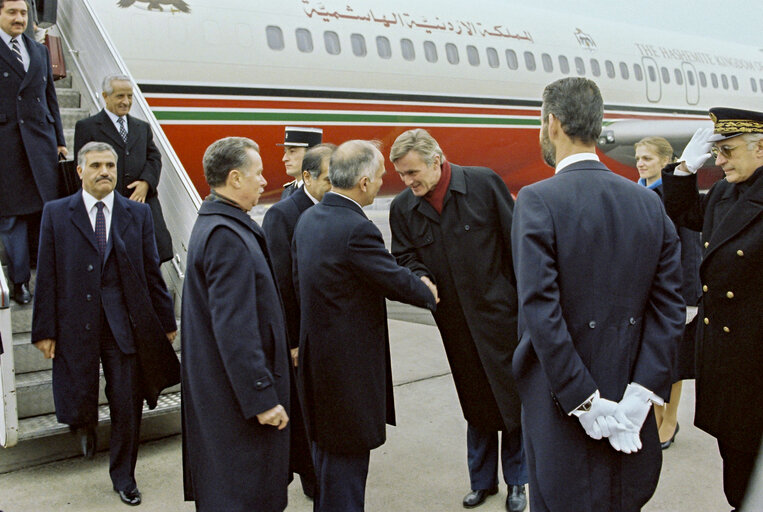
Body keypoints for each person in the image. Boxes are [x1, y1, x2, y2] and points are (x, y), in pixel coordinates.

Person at [511, 77, 685, 512]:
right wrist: (641, 394)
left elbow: (541, 311)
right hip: (630, 408)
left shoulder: (537, 200)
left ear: (552, 124)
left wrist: (584, 400)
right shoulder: (648, 203)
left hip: (562, 408)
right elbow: (669, 309)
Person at [292, 140, 438, 511]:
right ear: (361, 182)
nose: (382, 182)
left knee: (327, 464)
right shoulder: (355, 228)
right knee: (347, 471)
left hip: (319, 366)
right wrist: (427, 291)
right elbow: (391, 278)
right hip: (347, 375)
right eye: (378, 177)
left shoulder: (310, 218)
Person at [31, 141, 177, 506]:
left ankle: (124, 475)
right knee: (78, 389)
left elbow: (150, 272)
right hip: (73, 323)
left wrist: (164, 320)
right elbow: (47, 274)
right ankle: (85, 425)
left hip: (122, 324)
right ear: (80, 171)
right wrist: (44, 329)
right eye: (96, 165)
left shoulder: (137, 214)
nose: (105, 172)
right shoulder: (56, 213)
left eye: (110, 165)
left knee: (127, 401)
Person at [389, 128, 527, 511]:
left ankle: (518, 481)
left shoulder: (483, 184)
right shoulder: (403, 208)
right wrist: (418, 275)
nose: (408, 181)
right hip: (456, 324)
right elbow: (403, 256)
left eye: (414, 172)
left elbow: (516, 243)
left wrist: (524, 308)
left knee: (513, 402)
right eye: (402, 174)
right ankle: (482, 482)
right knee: (476, 402)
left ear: (437, 161)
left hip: (501, 318)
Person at [661, 108, 763, 511]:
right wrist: (685, 168)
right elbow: (687, 215)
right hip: (725, 364)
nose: (719, 161)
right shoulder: (725, 191)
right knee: (735, 468)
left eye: (728, 151)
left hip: (755, 364)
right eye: (716, 151)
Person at [181, 137, 291, 512]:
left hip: (228, 398)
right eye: (257, 174)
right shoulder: (225, 236)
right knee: (244, 494)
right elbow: (235, 330)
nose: (264, 181)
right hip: (237, 407)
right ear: (234, 178)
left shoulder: (219, 223)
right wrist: (262, 398)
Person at [262, 143, 335, 500]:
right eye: (329, 178)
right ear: (307, 177)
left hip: (331, 331)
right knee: (306, 410)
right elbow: (281, 284)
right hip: (301, 335)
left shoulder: (336, 207)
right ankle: (311, 477)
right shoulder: (282, 215)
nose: (336, 184)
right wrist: (292, 339)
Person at [634, 136, 702, 449]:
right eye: (638, 157)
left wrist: (688, 296)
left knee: (672, 360)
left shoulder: (672, 194)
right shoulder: (637, 191)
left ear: (665, 161)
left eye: (648, 158)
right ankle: (657, 414)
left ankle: (669, 419)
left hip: (673, 291)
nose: (640, 163)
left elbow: (688, 247)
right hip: (646, 289)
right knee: (652, 355)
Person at [0, 0, 66, 304]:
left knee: (45, 213)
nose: (19, 18)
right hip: (6, 147)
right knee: (12, 217)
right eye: (12, 12)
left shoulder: (38, 50)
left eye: (24, 13)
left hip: (40, 144)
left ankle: (50, 280)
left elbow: (50, 98)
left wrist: (60, 140)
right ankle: (19, 282)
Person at [74, 74, 173, 263]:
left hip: (143, 203)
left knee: (153, 255)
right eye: (120, 96)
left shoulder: (142, 127)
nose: (126, 102)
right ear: (105, 96)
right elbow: (81, 166)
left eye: (129, 96)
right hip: (108, 204)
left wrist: (146, 182)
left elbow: (154, 157)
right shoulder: (87, 127)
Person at [278, 126, 323, 199]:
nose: (284, 159)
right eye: (285, 152)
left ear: (311, 154)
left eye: (292, 151)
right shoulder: (288, 191)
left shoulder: (320, 192)